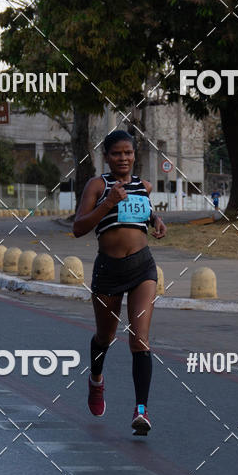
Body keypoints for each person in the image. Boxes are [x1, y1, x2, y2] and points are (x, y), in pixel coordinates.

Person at [73, 131, 167, 435]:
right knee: (105, 336)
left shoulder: (144, 185)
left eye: (128, 153)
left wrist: (157, 222)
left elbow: (147, 211)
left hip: (142, 268)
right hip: (108, 271)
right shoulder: (97, 185)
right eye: (116, 153)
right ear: (106, 157)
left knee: (139, 338)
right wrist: (108, 202)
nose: (123, 159)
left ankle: (142, 410)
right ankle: (96, 379)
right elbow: (78, 227)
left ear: (134, 155)